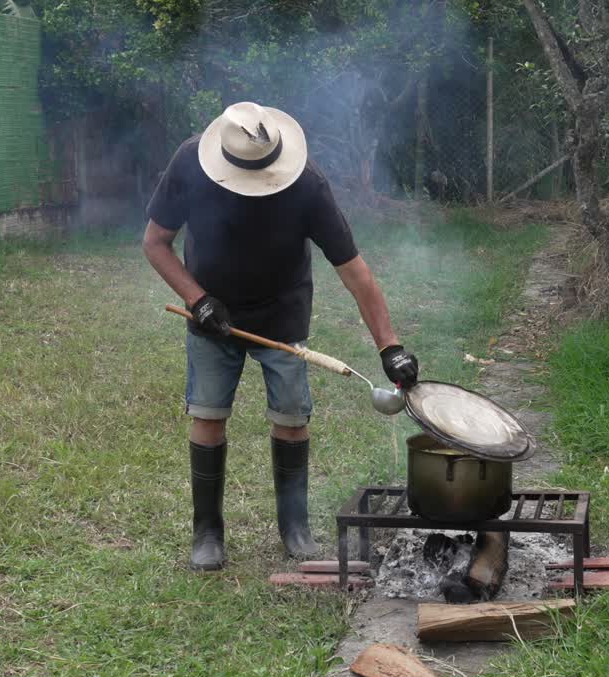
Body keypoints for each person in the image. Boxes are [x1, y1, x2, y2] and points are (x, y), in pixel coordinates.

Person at [142, 102, 419, 571]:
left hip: (284, 315)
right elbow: (155, 243)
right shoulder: (189, 162)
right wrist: (197, 299)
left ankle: (295, 527)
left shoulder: (306, 184)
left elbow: (355, 273)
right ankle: (207, 532)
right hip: (213, 315)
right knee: (208, 417)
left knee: (292, 418)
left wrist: (389, 347)